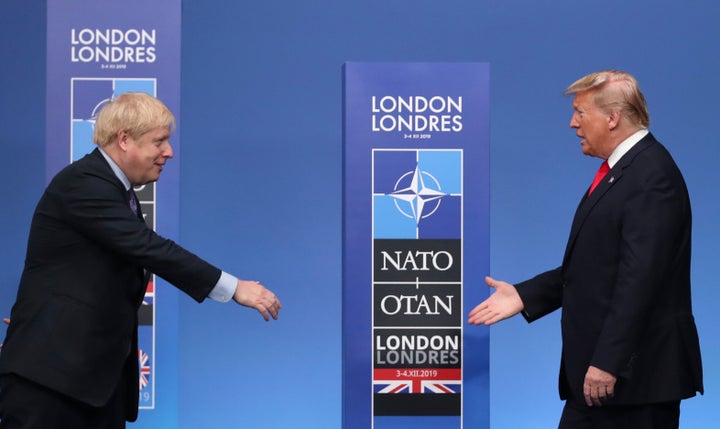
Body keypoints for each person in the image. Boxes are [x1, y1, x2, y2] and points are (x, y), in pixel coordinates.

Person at [0, 92, 282, 428]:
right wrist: (233, 287)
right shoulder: (84, 184)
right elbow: (150, 248)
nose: (169, 152)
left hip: (88, 385)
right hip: (51, 384)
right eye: (159, 141)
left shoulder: (115, 190)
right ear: (124, 140)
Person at [468, 70, 703, 428]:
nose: (572, 123)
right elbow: (599, 267)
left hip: (634, 382)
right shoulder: (624, 170)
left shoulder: (652, 176)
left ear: (612, 118)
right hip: (608, 382)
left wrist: (609, 361)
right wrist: (525, 295)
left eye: (580, 113)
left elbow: (640, 280)